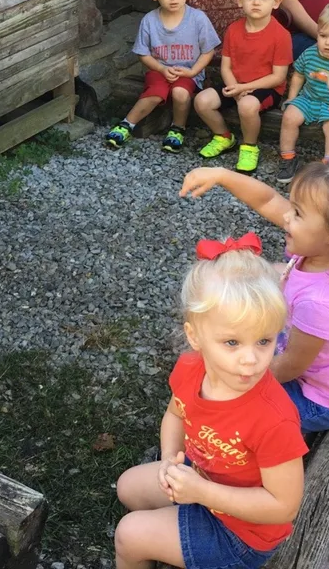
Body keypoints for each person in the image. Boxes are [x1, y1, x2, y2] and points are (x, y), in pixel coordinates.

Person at [113, 236, 307, 569]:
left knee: (128, 534)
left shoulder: (274, 419)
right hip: (205, 478)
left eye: (264, 340)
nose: (251, 359)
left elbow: (283, 506)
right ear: (195, 336)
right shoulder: (190, 369)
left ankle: (162, 539)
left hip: (242, 534)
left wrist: (202, 493)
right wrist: (169, 461)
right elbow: (175, 414)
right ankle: (173, 530)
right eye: (232, 342)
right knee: (128, 487)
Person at [181, 160, 329, 432]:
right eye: (292, 208)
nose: (287, 217)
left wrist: (233, 383)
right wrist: (223, 175)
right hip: (311, 371)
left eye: (298, 213)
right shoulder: (327, 253)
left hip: (319, 398)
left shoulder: (319, 304)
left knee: (236, 416)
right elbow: (268, 200)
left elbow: (290, 367)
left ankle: (226, 465)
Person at [105, 0, 221, 153]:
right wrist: (161, 68)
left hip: (187, 73)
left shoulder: (198, 19)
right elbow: (142, 53)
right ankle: (127, 124)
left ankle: (178, 128)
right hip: (159, 70)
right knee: (155, 94)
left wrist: (193, 71)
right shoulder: (150, 21)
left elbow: (208, 50)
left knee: (180, 93)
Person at [193, 0, 293, 173]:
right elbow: (226, 67)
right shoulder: (234, 29)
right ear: (240, 0)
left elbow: (278, 77)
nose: (256, 2)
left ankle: (249, 147)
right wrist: (235, 88)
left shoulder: (281, 35)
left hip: (266, 87)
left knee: (247, 105)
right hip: (235, 83)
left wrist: (243, 91)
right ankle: (223, 137)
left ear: (276, 2)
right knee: (202, 101)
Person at [277, 2, 329, 183]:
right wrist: (292, 99)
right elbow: (298, 75)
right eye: (323, 36)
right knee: (289, 117)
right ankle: (288, 158)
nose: (327, 42)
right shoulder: (310, 53)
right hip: (308, 97)